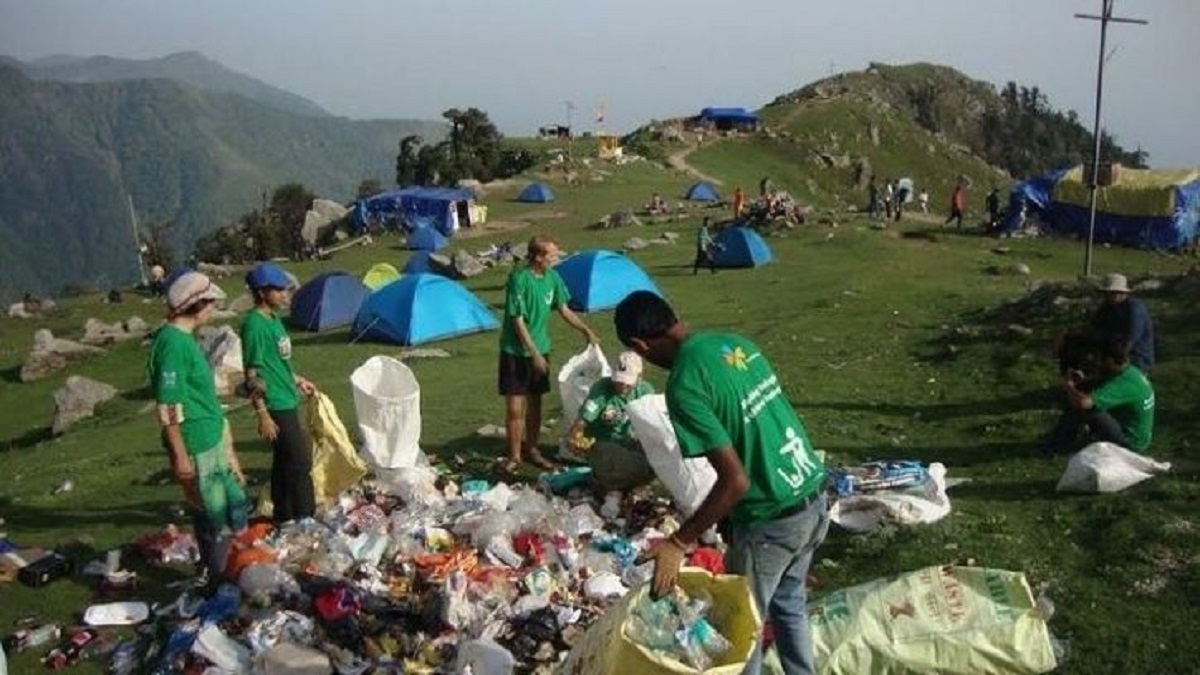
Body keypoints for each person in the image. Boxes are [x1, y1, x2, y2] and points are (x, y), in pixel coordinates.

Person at [615, 291, 828, 675]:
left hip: (773, 518)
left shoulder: (684, 385)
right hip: (811, 495)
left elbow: (736, 481)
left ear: (639, 346)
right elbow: (754, 431)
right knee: (789, 606)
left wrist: (678, 542)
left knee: (741, 629)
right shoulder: (733, 342)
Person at [148, 272, 248, 581]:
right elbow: (168, 405)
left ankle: (224, 566)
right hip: (194, 442)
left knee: (228, 504)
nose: (213, 308)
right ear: (197, 305)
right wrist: (180, 456)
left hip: (210, 436)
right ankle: (215, 577)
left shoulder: (184, 340)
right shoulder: (172, 344)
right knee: (210, 513)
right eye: (210, 303)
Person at [498, 236, 599, 473]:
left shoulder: (553, 278)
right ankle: (514, 456)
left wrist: (586, 330)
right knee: (514, 407)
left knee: (536, 403)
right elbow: (517, 320)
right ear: (538, 256)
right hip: (515, 351)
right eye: (552, 254)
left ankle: (532, 449)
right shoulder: (519, 279)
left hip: (542, 349)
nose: (556, 258)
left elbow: (563, 308)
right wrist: (533, 354)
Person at [240, 263, 317, 525]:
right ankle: (305, 516)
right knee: (299, 460)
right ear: (262, 293)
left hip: (287, 396)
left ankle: (283, 516)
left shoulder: (273, 321)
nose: (285, 295)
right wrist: (262, 414)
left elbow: (277, 363)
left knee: (284, 462)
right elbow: (253, 374)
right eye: (279, 290)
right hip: (275, 404)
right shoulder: (254, 325)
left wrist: (297, 380)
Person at [1042, 338, 1155, 454]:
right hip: (1139, 436)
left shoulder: (1122, 384)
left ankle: (1057, 445)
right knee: (1083, 394)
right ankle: (1060, 438)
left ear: (1110, 360)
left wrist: (1069, 386)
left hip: (1130, 443)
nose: (1097, 362)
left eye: (1100, 359)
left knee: (1084, 406)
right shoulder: (1131, 372)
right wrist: (1084, 381)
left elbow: (1083, 404)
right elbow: (1105, 381)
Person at [567, 351, 656, 491]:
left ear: (639, 378)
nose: (622, 387)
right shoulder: (602, 388)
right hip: (603, 442)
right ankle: (608, 485)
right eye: (619, 381)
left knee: (655, 460)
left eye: (627, 382)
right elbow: (583, 420)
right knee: (633, 466)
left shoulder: (646, 391)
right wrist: (575, 434)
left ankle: (627, 485)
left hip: (629, 439)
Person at [1057, 273, 1155, 375]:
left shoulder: (1134, 308)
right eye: (1107, 293)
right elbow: (1093, 327)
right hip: (1111, 348)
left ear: (1122, 293)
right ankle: (1072, 375)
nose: (1108, 297)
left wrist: (1115, 360)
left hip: (1135, 356)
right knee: (1073, 340)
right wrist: (1069, 333)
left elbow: (1130, 339)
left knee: (1112, 352)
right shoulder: (1107, 307)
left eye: (1112, 293)